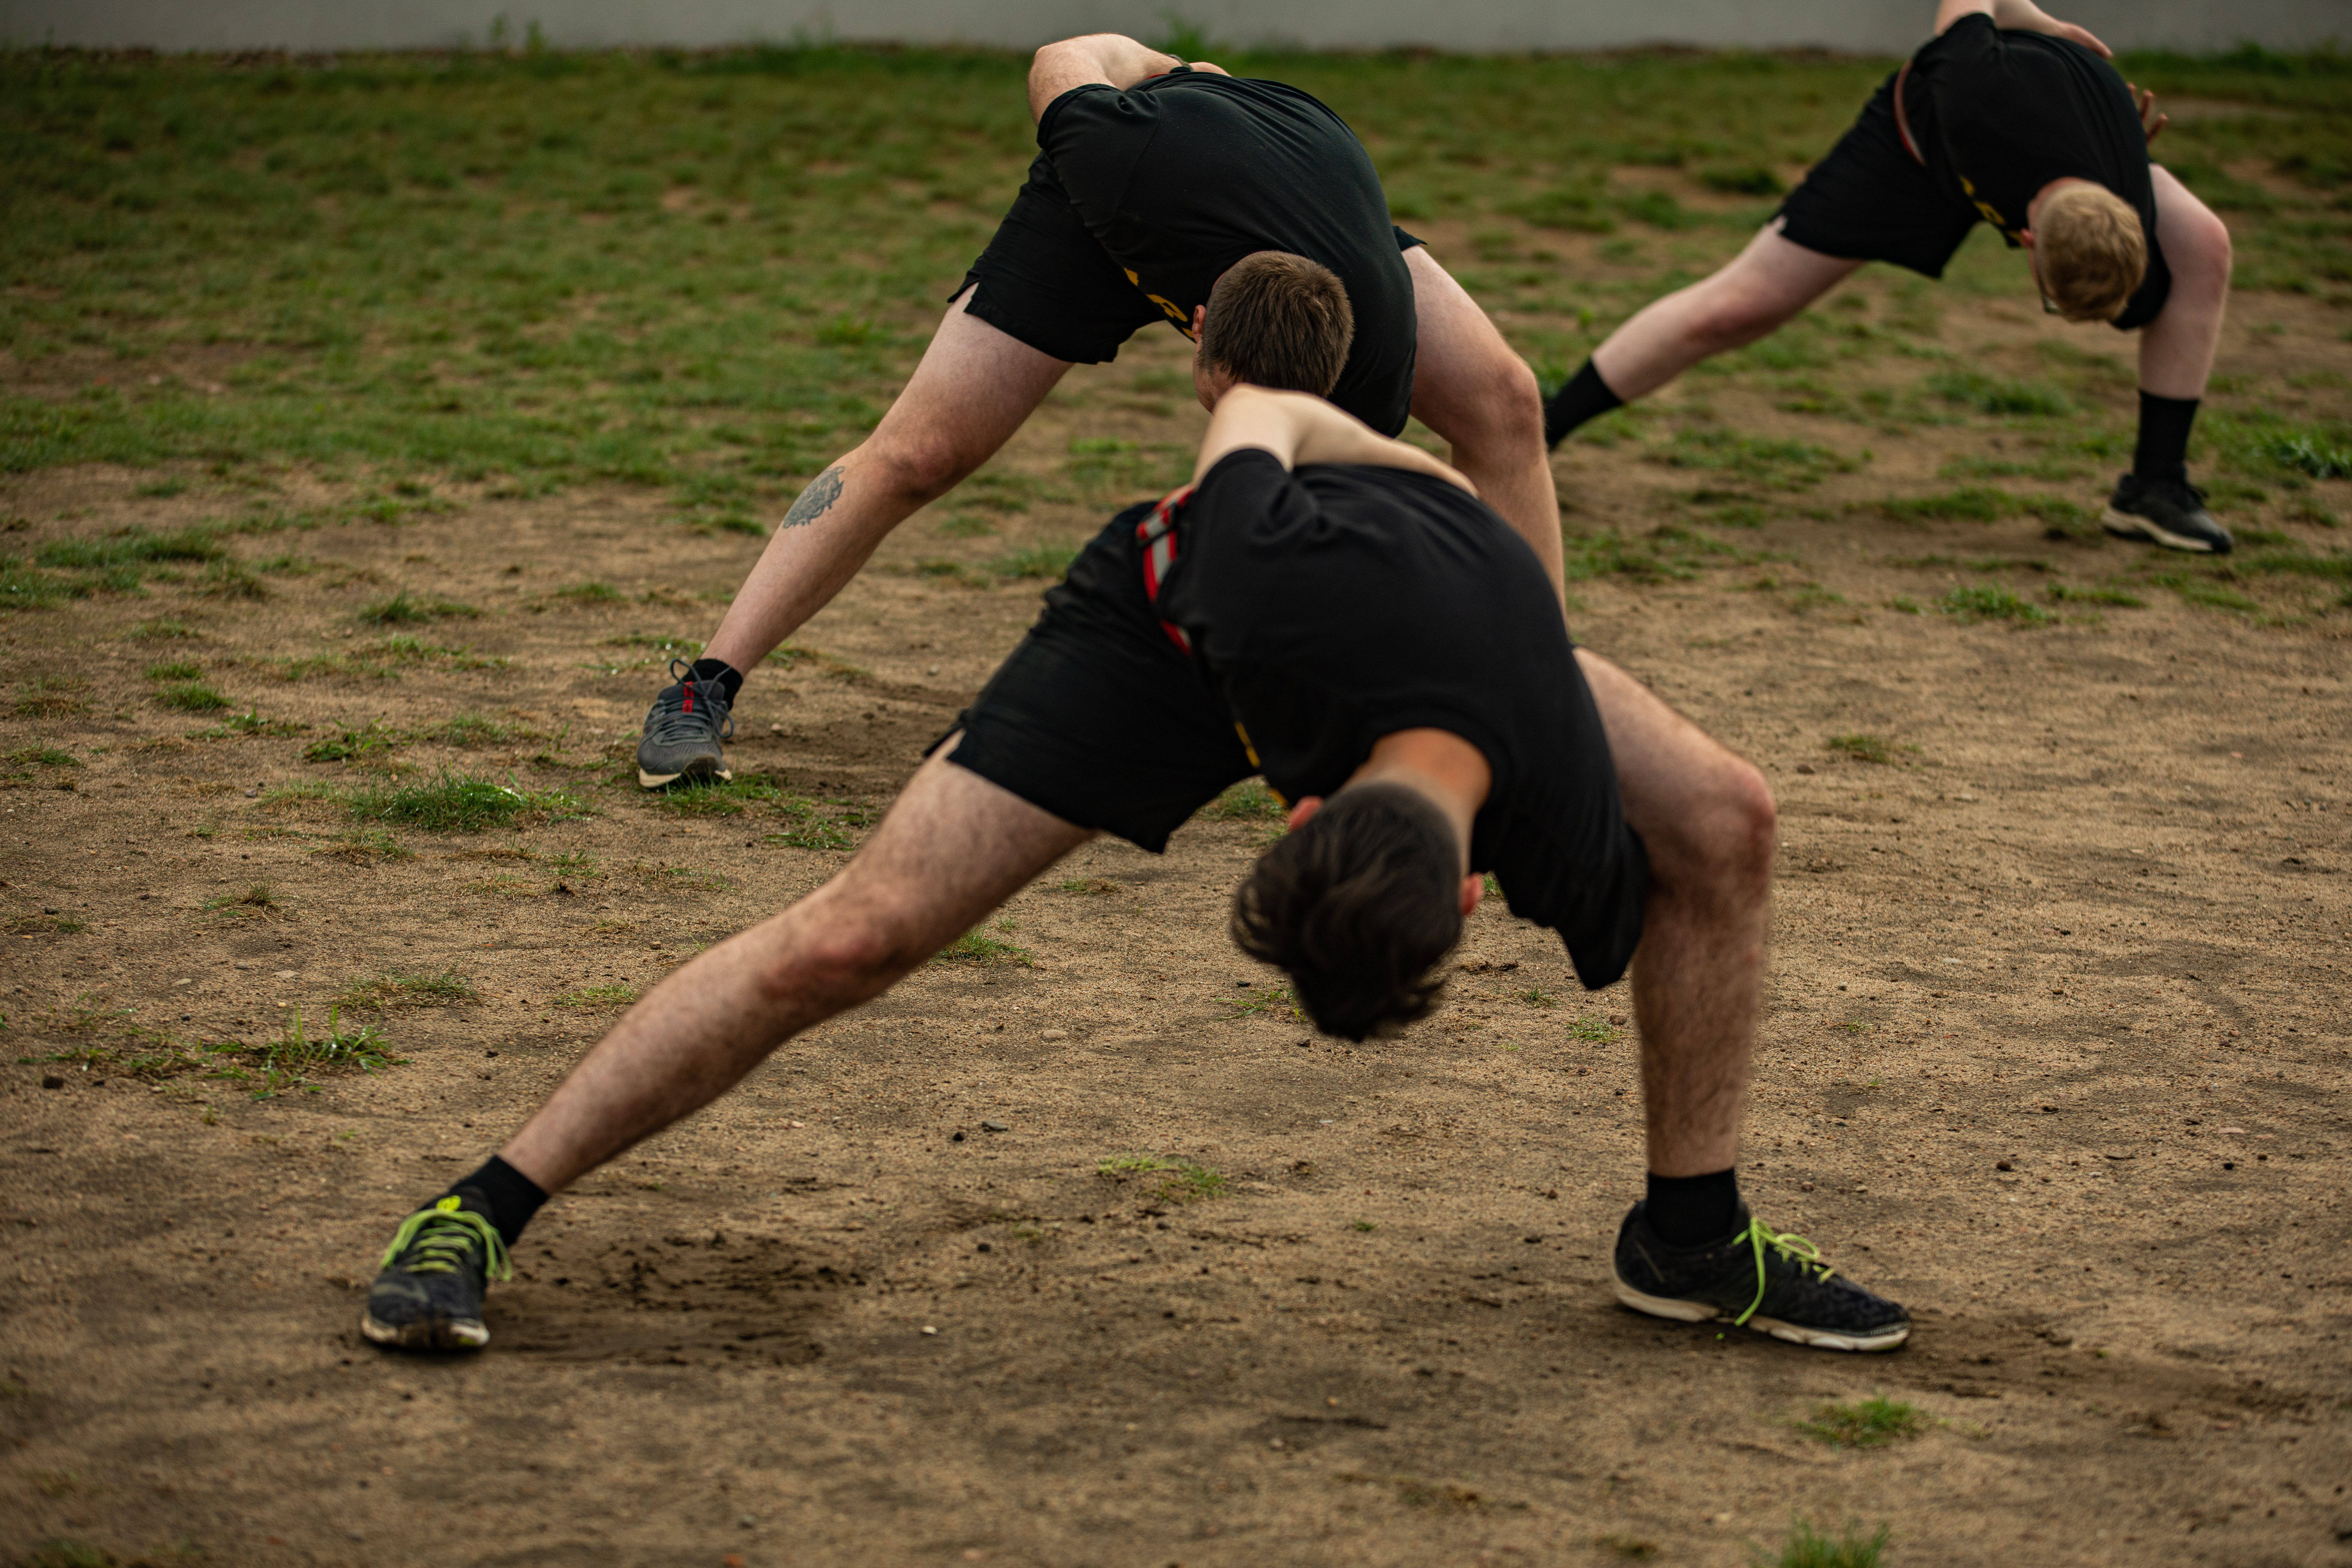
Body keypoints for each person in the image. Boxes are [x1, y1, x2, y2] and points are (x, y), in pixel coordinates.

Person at [360, 294, 1908, 1358]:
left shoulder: (1563, 774)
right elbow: (1265, 413)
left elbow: (1440, 502)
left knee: (1725, 815)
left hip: (1452, 629)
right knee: (854, 932)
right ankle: (482, 1200)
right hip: (1156, 637)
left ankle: (1690, 1239)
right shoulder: (1251, 565)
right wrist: (1320, 428)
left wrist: (1407, 488)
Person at [634, 31, 1556, 788]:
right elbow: (1062, 55)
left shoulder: (1370, 345)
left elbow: (1340, 533)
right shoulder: (1116, 152)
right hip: (1099, 216)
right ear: (1194, 329)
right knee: (919, 452)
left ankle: (1544, 697)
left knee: (1506, 401)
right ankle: (701, 689)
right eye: (1230, 406)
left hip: (1311, 217)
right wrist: (1152, 65)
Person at [1541, 0, 2236, 555]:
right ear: (2023, 242)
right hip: (1913, 146)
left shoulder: (2121, 176)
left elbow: (2136, 306)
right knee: (1736, 307)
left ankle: (2154, 488)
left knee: (2203, 241)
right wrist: (2023, 14)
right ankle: (1539, 431)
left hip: (2057, 165)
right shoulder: (1976, 87)